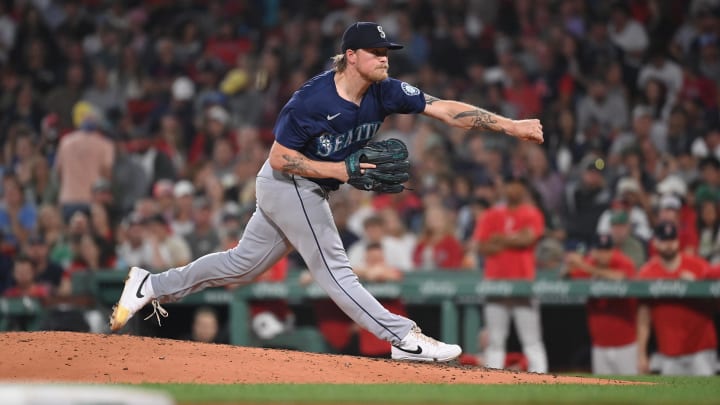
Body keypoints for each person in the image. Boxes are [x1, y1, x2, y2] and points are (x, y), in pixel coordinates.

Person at [110, 21, 543, 362]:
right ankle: (402, 336)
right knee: (335, 268)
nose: (384, 59)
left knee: (241, 266)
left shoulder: (385, 92)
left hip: (305, 186)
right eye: (375, 53)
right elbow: (280, 158)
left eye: (387, 52)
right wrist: (340, 169)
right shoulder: (312, 101)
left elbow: (445, 109)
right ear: (351, 56)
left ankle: (152, 283)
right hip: (287, 182)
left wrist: (511, 125)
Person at [472, 175, 548, 372]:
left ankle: (541, 379)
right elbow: (482, 247)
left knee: (531, 340)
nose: (513, 189)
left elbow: (528, 240)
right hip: (496, 283)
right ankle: (491, 381)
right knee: (495, 339)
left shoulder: (531, 213)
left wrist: (500, 240)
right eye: (510, 185)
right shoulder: (491, 215)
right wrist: (514, 238)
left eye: (517, 185)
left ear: (523, 190)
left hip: (523, 283)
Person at [637, 221, 717, 375]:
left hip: (701, 348)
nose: (669, 245)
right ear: (655, 243)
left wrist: (696, 287)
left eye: (672, 240)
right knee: (672, 399)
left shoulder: (699, 266)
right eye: (664, 240)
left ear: (678, 241)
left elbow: (714, 304)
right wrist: (641, 354)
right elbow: (643, 317)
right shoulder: (647, 273)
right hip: (669, 351)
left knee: (708, 398)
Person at [566, 234, 638, 375]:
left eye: (607, 250)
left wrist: (585, 267)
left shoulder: (623, 261)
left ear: (613, 250)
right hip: (600, 345)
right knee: (603, 393)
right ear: (593, 251)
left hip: (626, 344)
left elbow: (621, 277)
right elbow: (566, 275)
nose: (603, 254)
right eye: (599, 250)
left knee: (631, 391)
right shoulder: (590, 263)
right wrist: (570, 262)